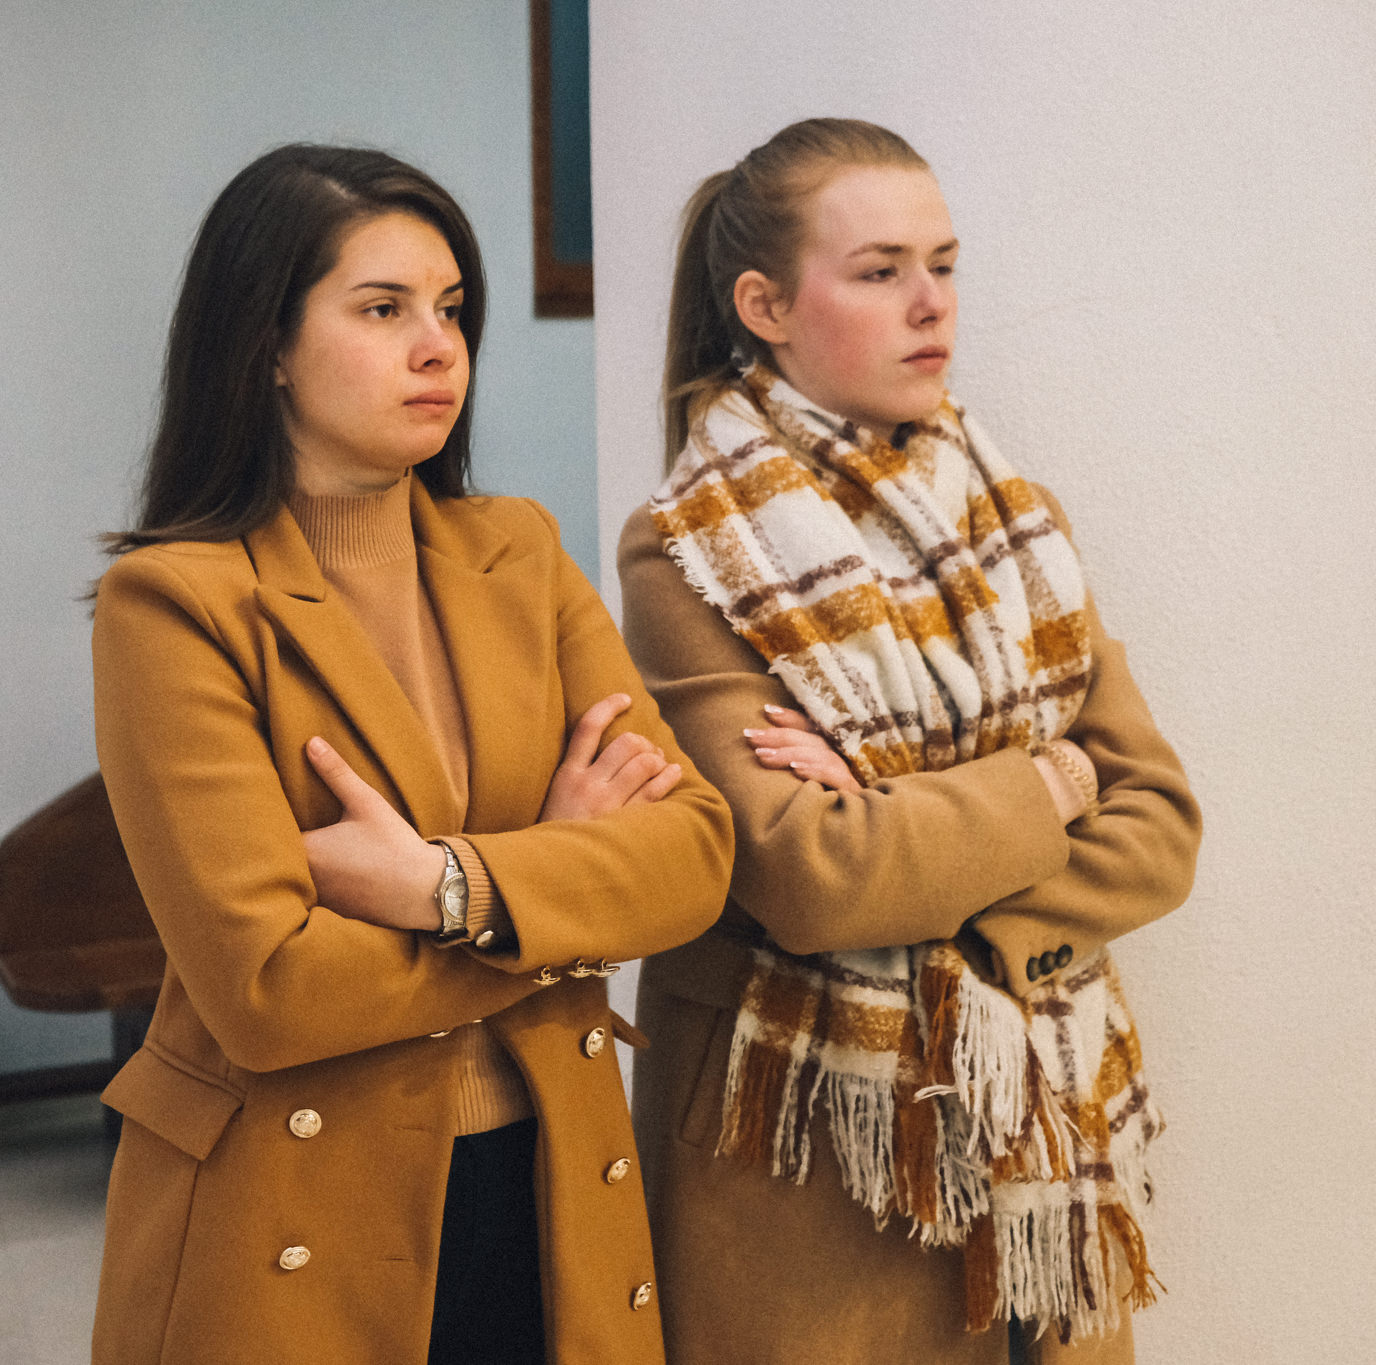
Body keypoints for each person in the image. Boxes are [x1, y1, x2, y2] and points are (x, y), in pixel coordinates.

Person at [89, 144, 735, 1365]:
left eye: (450, 308)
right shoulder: (173, 603)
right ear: (266, 345)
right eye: (382, 310)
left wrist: (447, 887)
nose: (439, 347)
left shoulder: (517, 549)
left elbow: (693, 858)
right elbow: (268, 991)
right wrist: (553, 898)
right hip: (297, 1202)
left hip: (551, 1176)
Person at [616, 119, 1202, 1365]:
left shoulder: (1013, 523)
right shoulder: (690, 549)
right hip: (818, 1179)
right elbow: (813, 877)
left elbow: (1158, 829)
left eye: (941, 265)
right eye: (879, 271)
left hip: (1038, 1139)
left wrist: (904, 832)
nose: (930, 303)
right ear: (764, 306)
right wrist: (1054, 777)